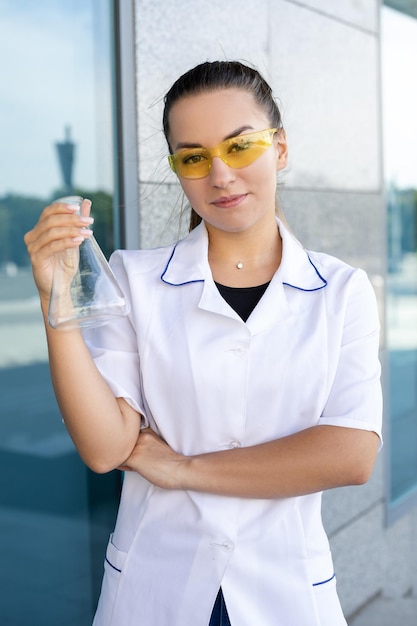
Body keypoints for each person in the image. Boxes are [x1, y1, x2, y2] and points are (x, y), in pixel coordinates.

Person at [25, 60, 382, 626]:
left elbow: (350, 454)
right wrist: (59, 304)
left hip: (285, 593)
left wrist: (181, 467)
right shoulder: (133, 281)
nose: (220, 175)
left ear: (280, 148)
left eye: (240, 147)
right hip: (155, 587)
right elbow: (104, 447)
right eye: (193, 157)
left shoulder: (340, 291)